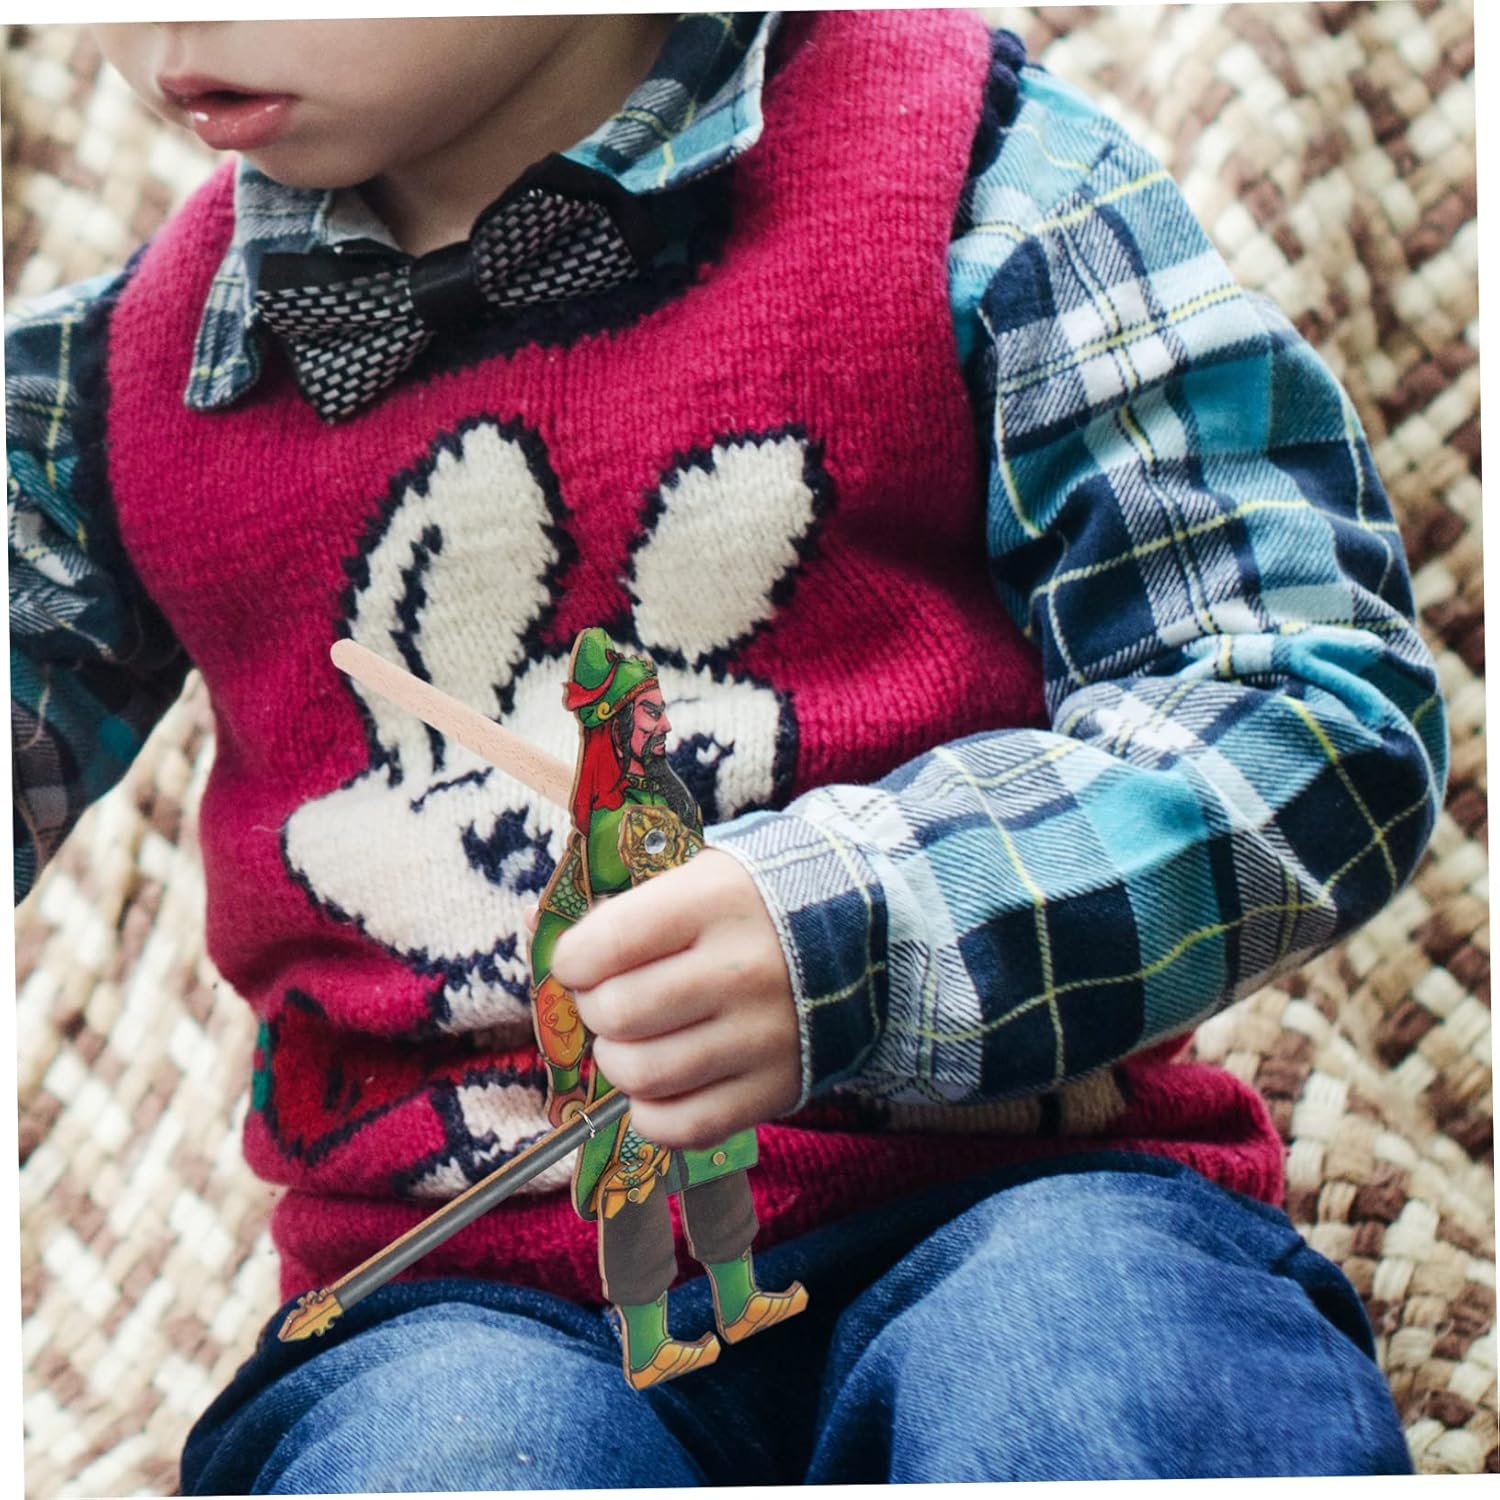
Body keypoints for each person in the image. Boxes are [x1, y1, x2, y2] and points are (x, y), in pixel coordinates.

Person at [7, 11, 1443, 1489]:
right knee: (453, 1457)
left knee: (1090, 1354)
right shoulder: (99, 389)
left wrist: (858, 924)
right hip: (456, 1302)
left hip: (1027, 1190)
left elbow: (1300, 709)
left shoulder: (982, 174)